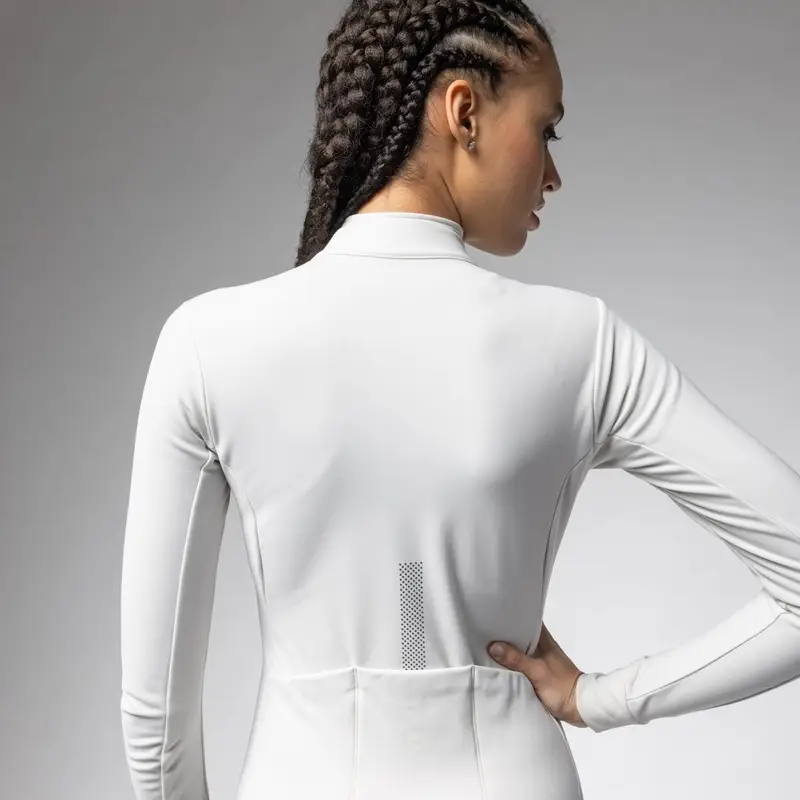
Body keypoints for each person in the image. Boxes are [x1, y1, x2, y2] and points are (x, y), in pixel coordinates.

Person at [119, 2, 800, 798]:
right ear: (463, 111)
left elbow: (155, 727)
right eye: (547, 129)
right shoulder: (578, 343)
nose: (553, 174)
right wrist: (602, 699)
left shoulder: (208, 343)